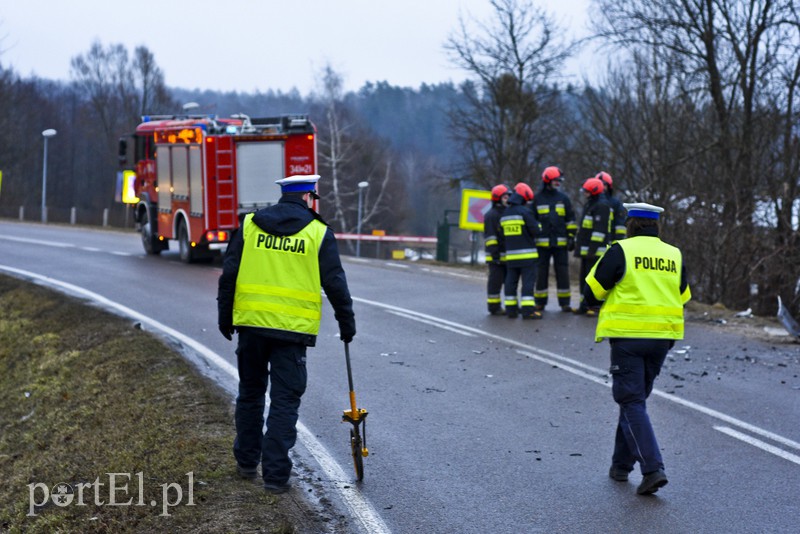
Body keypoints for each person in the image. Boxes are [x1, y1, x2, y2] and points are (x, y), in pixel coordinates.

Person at [217, 174, 356, 494]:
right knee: (284, 402)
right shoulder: (318, 233)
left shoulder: (250, 226)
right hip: (291, 335)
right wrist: (347, 324)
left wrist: (226, 316)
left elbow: (229, 274)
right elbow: (335, 282)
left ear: (284, 196)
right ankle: (276, 477)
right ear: (309, 197)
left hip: (251, 327)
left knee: (250, 394)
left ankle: (247, 462)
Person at [583, 202, 691, 495]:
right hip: (662, 339)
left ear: (630, 225)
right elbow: (683, 295)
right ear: (657, 226)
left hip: (628, 337)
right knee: (635, 400)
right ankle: (620, 466)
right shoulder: (674, 254)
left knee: (631, 400)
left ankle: (653, 469)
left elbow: (592, 290)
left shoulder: (620, 250)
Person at [532, 167, 577, 312]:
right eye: (556, 180)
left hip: (560, 243)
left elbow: (570, 220)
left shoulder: (563, 199)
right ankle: (540, 302)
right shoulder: (537, 199)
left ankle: (565, 303)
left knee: (563, 273)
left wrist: (571, 237)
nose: (558, 183)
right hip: (542, 244)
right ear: (547, 180)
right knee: (541, 274)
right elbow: (531, 221)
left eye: (559, 181)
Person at [498, 182, 542, 319]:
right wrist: (539, 224)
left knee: (510, 282)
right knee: (528, 283)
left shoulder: (505, 214)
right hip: (527, 256)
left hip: (511, 256)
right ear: (523, 198)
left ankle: (511, 310)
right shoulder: (525, 212)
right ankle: (528, 311)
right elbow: (536, 231)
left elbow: (501, 235)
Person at [574, 177, 612, 316]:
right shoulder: (591, 204)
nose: (584, 193)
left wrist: (592, 249)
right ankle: (584, 305)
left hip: (595, 251)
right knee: (584, 279)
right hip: (587, 251)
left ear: (594, 191)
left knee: (593, 280)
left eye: (586, 191)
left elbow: (599, 231)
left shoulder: (601, 206)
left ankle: (594, 306)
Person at [484, 184, 510, 315]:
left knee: (508, 282)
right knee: (495, 282)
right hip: (496, 257)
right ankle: (494, 307)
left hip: (505, 256)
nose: (507, 199)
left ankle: (506, 306)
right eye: (505, 197)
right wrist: (495, 256)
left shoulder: (505, 213)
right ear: (498, 198)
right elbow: (491, 238)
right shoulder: (492, 215)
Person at [596, 171, 627, 241]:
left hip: (610, 240)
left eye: (604, 184)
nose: (602, 187)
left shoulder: (615, 203)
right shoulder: (591, 203)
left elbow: (620, 226)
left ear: (608, 186)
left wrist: (617, 243)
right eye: (599, 184)